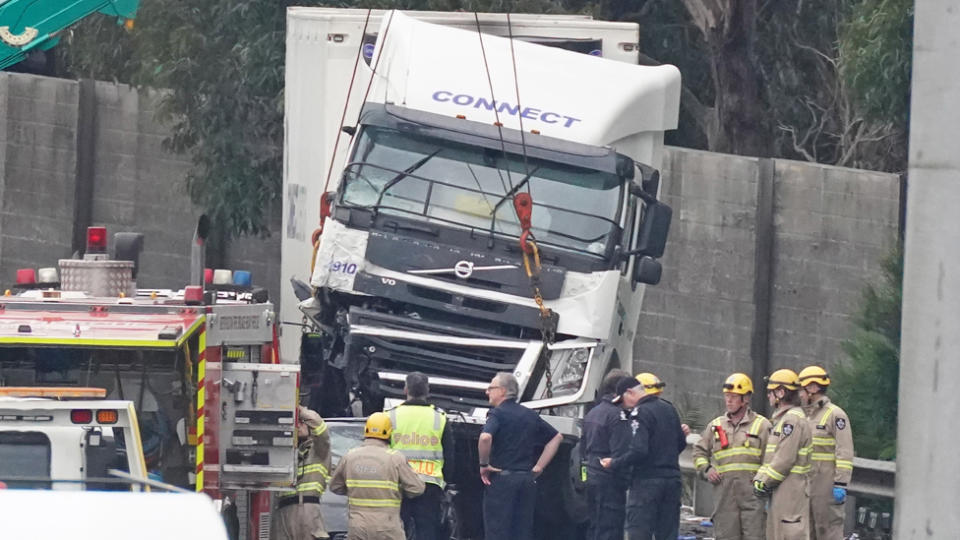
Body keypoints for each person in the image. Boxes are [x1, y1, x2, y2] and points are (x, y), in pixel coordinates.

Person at [478, 372, 563, 540]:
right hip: (526, 481)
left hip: (502, 481)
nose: (487, 392)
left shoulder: (497, 414)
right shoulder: (530, 415)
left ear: (502, 391)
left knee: (497, 531)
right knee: (522, 532)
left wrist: (483, 464)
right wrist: (539, 466)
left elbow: (485, 437)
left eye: (491, 388)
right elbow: (557, 437)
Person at [603, 374, 687, 540]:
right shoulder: (669, 408)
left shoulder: (639, 413)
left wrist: (615, 463)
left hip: (646, 484)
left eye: (622, 402)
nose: (623, 407)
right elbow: (681, 443)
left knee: (639, 532)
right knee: (668, 533)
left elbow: (638, 451)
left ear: (629, 393)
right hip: (672, 482)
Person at [692, 373, 772, 540]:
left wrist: (762, 484)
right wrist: (707, 469)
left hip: (753, 498)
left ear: (746, 399)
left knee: (755, 536)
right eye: (727, 396)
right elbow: (699, 452)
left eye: (734, 397)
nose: (728, 401)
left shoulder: (762, 425)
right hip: (725, 498)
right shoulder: (715, 426)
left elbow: (771, 459)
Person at [329, 412, 425, 540]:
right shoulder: (395, 458)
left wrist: (356, 489)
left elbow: (335, 486)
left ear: (366, 430)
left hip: (358, 526)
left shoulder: (350, 457)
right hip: (388, 527)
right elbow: (417, 489)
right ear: (389, 432)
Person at [388, 372, 455, 540]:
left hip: (398, 483)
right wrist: (446, 483)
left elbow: (382, 451)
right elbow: (449, 455)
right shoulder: (439, 418)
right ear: (428, 391)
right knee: (427, 531)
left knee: (396, 530)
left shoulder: (391, 416)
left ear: (405, 389)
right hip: (430, 485)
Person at [752, 369, 813, 540]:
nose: (768, 396)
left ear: (781, 392)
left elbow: (784, 460)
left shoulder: (791, 421)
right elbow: (772, 457)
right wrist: (760, 479)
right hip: (782, 490)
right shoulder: (783, 420)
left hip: (791, 490)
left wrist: (763, 482)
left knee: (788, 534)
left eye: (771, 392)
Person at [798, 365, 854, 540]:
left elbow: (844, 451)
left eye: (802, 389)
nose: (800, 394)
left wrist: (841, 483)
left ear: (813, 388)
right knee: (808, 532)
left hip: (827, 486)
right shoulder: (805, 417)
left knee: (828, 531)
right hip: (807, 485)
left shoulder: (835, 415)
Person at [581, 369, 632, 540]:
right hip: (610, 480)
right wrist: (626, 479)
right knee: (610, 528)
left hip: (592, 476)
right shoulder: (618, 416)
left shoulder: (593, 412)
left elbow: (582, 448)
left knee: (594, 525)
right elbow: (621, 451)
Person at [272, 406, 332, 540]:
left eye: (302, 422)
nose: (298, 425)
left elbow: (321, 428)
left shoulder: (319, 450)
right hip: (283, 510)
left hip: (308, 509)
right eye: (296, 422)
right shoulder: (287, 451)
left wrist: (300, 410)